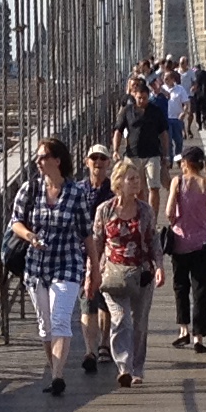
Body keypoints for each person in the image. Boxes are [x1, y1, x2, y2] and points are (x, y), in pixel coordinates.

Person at [7, 137, 94, 396]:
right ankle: (54, 368)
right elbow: (15, 222)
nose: (38, 161)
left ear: (57, 160)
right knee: (45, 325)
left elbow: (87, 234)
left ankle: (57, 375)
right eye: (37, 157)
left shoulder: (76, 193)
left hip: (67, 263)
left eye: (43, 157)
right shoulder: (29, 190)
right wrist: (30, 236)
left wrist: (94, 271)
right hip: (36, 266)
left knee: (59, 320)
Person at [89, 157, 167, 387]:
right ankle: (124, 366)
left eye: (137, 179)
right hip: (113, 273)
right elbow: (96, 243)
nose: (136, 183)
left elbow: (153, 240)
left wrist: (160, 266)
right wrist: (91, 273)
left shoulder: (145, 210)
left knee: (140, 322)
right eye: (131, 178)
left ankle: (137, 369)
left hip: (142, 272)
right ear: (118, 182)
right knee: (121, 318)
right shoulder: (105, 211)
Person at [163, 148, 206, 351]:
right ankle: (199, 337)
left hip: (180, 242)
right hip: (203, 244)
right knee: (201, 290)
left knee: (181, 287)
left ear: (185, 163)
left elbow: (169, 211)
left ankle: (183, 330)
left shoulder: (178, 182)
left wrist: (176, 220)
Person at [78, 143, 119, 373]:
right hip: (83, 254)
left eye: (102, 159)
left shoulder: (112, 192)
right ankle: (89, 350)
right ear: (87, 162)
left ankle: (104, 343)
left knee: (104, 300)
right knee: (87, 300)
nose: (98, 162)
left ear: (107, 163)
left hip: (106, 254)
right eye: (94, 158)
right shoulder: (78, 190)